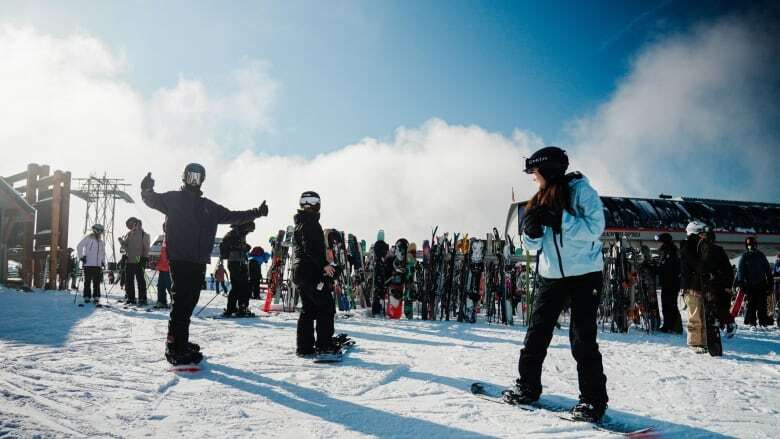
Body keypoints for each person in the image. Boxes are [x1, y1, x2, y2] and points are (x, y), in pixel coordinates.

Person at [507, 146, 608, 423]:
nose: (533, 179)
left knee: (582, 338)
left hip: (585, 274)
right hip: (551, 275)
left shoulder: (580, 191)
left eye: (535, 173)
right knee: (536, 333)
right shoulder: (539, 199)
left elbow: (595, 229)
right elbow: (532, 245)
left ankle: (592, 400)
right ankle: (527, 386)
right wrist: (531, 232)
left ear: (548, 171)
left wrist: (561, 219)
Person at [140, 163, 268, 365]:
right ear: (184, 177)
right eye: (190, 176)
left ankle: (181, 340)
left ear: (202, 180)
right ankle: (174, 346)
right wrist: (146, 189)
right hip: (180, 258)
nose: (193, 180)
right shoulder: (173, 199)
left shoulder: (209, 206)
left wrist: (257, 212)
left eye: (197, 177)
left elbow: (233, 215)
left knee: (190, 301)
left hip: (199, 260)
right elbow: (152, 200)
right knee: (181, 301)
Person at [292, 191, 337, 357]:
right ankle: (324, 345)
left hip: (300, 272)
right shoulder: (310, 223)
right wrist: (325, 265)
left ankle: (304, 347)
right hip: (310, 271)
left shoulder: (300, 223)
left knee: (308, 309)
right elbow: (310, 248)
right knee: (326, 306)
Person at [736, 237, 774, 329]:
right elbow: (741, 271)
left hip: (761, 283)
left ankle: (763, 322)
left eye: (752, 244)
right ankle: (752, 322)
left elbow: (767, 269)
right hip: (750, 285)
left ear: (756, 245)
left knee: (762, 304)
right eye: (749, 245)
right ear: (746, 246)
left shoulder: (760, 255)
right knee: (751, 304)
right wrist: (741, 283)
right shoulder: (744, 257)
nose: (751, 246)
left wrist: (770, 282)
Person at [220, 222, 254, 317]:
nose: (249, 232)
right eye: (248, 230)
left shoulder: (239, 234)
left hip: (239, 262)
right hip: (236, 263)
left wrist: (245, 247)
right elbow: (228, 247)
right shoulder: (234, 234)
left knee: (238, 286)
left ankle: (233, 308)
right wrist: (243, 248)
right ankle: (241, 307)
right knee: (242, 286)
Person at [119, 217, 151, 305]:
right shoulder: (129, 234)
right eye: (129, 225)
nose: (130, 227)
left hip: (139, 259)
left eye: (131, 224)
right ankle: (131, 298)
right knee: (129, 280)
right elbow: (126, 247)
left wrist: (144, 258)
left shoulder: (144, 234)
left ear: (137, 224)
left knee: (140, 279)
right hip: (130, 259)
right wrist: (122, 242)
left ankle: (142, 298)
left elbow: (146, 248)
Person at [655, 233, 682, 334]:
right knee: (666, 304)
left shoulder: (671, 251)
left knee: (671, 304)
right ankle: (667, 325)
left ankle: (676, 327)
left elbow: (668, 268)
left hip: (671, 282)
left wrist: (659, 269)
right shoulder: (667, 250)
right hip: (667, 282)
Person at [76, 224, 106, 304]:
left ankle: (96, 296)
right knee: (87, 281)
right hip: (88, 263)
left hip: (97, 265)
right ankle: (87, 296)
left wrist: (103, 261)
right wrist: (82, 257)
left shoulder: (101, 242)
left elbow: (102, 253)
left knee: (97, 281)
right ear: (96, 230)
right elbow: (79, 246)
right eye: (100, 231)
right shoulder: (88, 238)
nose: (101, 233)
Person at [155, 221, 172, 309]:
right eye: (164, 227)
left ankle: (174, 302)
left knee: (170, 286)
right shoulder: (164, 238)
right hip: (162, 266)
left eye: (167, 227)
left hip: (169, 266)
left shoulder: (173, 237)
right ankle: (161, 301)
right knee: (160, 286)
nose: (165, 229)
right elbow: (161, 252)